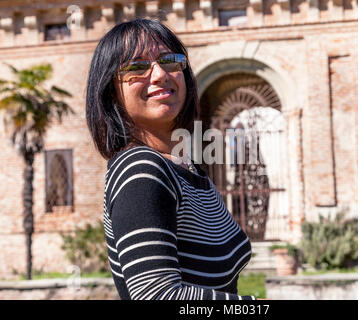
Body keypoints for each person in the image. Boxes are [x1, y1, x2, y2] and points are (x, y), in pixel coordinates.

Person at [85, 18, 254, 300]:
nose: (160, 74)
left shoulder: (186, 169)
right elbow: (155, 295)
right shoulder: (141, 170)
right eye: (137, 67)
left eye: (170, 60)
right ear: (110, 92)